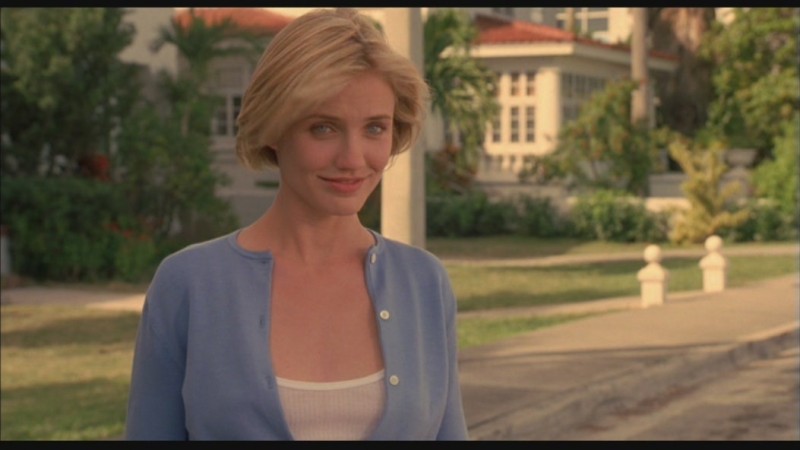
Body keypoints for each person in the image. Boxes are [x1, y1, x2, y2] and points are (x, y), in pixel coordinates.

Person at [125, 8, 469, 441]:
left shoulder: (423, 283)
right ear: (274, 127)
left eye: (375, 128)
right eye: (323, 128)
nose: (353, 159)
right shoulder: (189, 285)